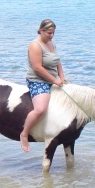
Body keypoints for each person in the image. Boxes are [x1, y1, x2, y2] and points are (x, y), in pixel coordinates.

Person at [20, 19, 66, 152]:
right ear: (41, 31)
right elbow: (37, 68)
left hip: (53, 78)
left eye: (53, 33)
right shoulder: (35, 45)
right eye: (49, 33)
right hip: (38, 80)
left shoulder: (52, 43)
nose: (51, 36)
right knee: (40, 109)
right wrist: (55, 80)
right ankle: (24, 134)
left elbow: (57, 61)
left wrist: (62, 77)